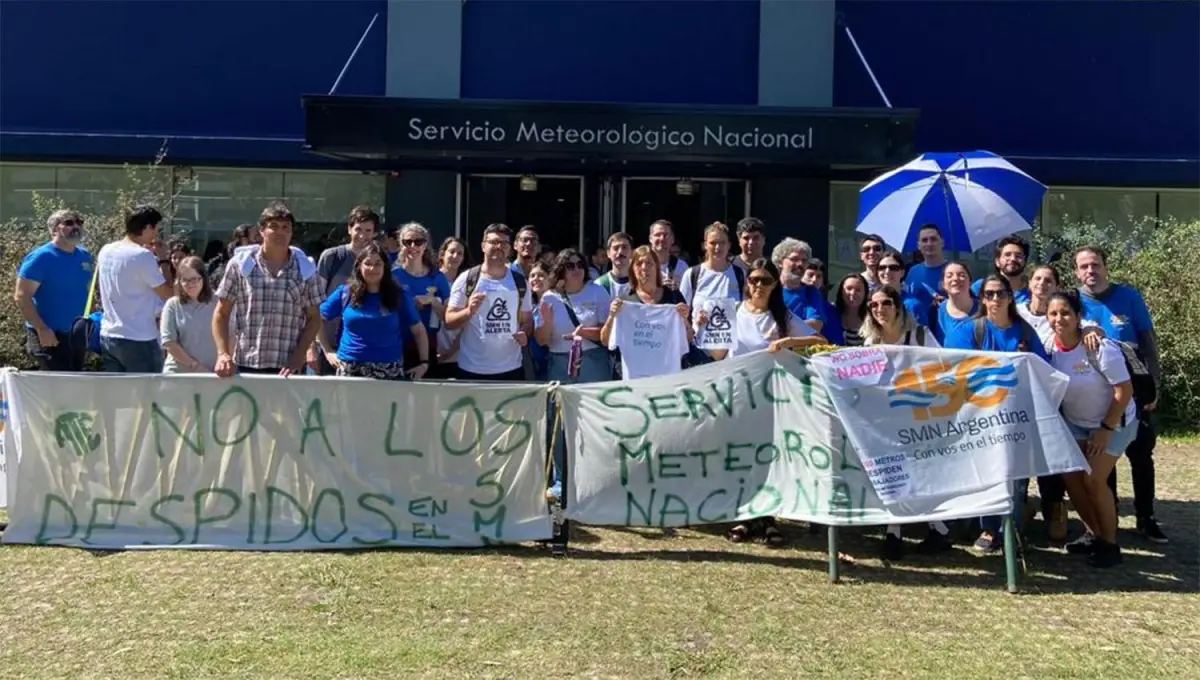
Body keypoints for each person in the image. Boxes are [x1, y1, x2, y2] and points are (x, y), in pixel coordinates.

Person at [944, 275, 1048, 554]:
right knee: (986, 475)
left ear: (1010, 297)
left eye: (1001, 293)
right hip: (980, 417)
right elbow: (954, 370)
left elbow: (1043, 370)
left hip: (1017, 417)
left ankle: (1011, 531)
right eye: (989, 294)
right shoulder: (970, 330)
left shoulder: (1025, 333)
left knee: (1016, 479)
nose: (995, 299)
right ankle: (989, 528)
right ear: (982, 299)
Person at [1074, 245, 1167, 543]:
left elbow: (1148, 344)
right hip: (1097, 394)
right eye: (1084, 266)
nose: (1091, 270)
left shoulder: (1129, 297)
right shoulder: (1074, 301)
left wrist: (1154, 385)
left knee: (1141, 455)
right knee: (1102, 458)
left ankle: (1146, 517)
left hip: (1135, 388)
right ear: (1077, 271)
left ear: (1105, 267)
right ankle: (1107, 517)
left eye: (1095, 264)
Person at [1047, 291, 1137, 567]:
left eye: (1065, 313)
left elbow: (1124, 391)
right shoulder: (1049, 347)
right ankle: (1094, 535)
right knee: (1072, 479)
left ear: (1077, 317)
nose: (1059, 319)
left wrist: (1106, 428)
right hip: (1077, 423)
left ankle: (1110, 545)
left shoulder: (1098, 347)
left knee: (1094, 481)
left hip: (1115, 421)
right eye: (1053, 314)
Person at [861, 284, 948, 559]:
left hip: (920, 414)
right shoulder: (871, 342)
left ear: (897, 306)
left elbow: (942, 369)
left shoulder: (920, 335)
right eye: (873, 305)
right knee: (892, 473)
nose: (879, 309)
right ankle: (894, 532)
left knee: (922, 474)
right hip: (885, 417)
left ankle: (938, 529)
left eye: (885, 303)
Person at [213, 202, 324, 377]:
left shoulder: (306, 269)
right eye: (273, 227)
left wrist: (299, 355)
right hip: (246, 365)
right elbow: (221, 313)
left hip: (288, 369)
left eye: (285, 227)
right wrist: (222, 354)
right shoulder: (241, 265)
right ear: (262, 231)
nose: (280, 232)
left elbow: (314, 318)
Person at [537, 249, 612, 503]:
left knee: (593, 422)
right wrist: (546, 322)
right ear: (560, 270)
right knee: (559, 423)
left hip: (593, 363)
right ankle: (561, 481)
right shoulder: (549, 297)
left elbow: (608, 334)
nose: (576, 269)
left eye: (580, 264)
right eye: (569, 266)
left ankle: (596, 480)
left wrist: (585, 332)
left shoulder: (598, 292)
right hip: (560, 362)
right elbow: (542, 340)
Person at [319, 243, 427, 380]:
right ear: (359, 266)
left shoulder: (398, 296)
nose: (372, 268)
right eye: (368, 263)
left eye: (378, 264)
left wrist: (424, 363)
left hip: (389, 370)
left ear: (385, 267)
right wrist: (328, 351)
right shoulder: (345, 293)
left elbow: (418, 330)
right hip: (350, 368)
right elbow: (317, 318)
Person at [444, 223, 533, 382]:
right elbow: (449, 321)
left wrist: (525, 333)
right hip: (472, 369)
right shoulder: (468, 279)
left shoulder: (520, 282)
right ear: (483, 246)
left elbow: (527, 321)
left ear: (510, 248)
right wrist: (468, 311)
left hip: (511, 368)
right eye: (493, 242)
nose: (498, 247)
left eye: (504, 243)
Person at [14, 208, 95, 371]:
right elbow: (22, 296)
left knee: (74, 387)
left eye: (79, 222)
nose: (76, 227)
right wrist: (41, 329)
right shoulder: (41, 257)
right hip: (49, 337)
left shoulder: (85, 256)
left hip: (76, 336)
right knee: (56, 391)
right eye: (69, 223)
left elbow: (88, 292)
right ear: (55, 229)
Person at [96, 205, 175, 373]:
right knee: (147, 395)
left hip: (109, 334)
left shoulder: (106, 250)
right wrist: (163, 260)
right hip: (139, 338)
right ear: (147, 228)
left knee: (118, 394)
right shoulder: (142, 256)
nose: (157, 234)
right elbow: (168, 294)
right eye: (156, 229)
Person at [600, 246, 692, 379]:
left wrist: (684, 319)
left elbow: (688, 339)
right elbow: (605, 341)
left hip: (667, 377)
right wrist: (612, 316)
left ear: (657, 267)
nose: (644, 268)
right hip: (635, 379)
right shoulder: (625, 302)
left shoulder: (672, 296)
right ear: (632, 269)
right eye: (639, 264)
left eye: (649, 263)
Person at [313, 206, 381, 375]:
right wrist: (314, 346)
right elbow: (315, 301)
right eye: (358, 229)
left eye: (368, 230)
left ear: (374, 233)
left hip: (362, 349)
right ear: (350, 229)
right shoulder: (332, 257)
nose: (362, 235)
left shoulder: (380, 260)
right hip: (329, 346)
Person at [680, 222, 745, 365]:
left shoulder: (740, 275)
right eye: (713, 243)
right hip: (698, 352)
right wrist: (695, 323)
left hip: (732, 353)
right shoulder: (692, 274)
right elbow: (681, 314)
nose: (717, 247)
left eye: (722, 243)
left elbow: (748, 312)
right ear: (704, 245)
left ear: (729, 245)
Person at [392, 222, 451, 375]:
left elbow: (448, 317)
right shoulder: (393, 276)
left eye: (418, 242)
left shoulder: (437, 277)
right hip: (397, 344)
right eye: (408, 242)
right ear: (400, 244)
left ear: (425, 245)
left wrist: (433, 301)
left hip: (429, 346)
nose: (413, 246)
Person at [160, 256, 218, 374]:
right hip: (179, 374)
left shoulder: (218, 303)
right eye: (184, 280)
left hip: (213, 374)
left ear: (203, 279)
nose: (189, 284)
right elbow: (169, 342)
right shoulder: (172, 305)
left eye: (194, 279)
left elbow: (232, 335)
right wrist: (195, 366)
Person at [771, 238, 826, 333]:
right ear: (780, 262)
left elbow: (815, 325)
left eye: (804, 260)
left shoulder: (811, 292)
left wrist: (780, 327)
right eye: (794, 259)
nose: (800, 264)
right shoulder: (769, 289)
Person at [433, 237, 467, 379]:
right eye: (452, 252)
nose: (455, 257)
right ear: (442, 254)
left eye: (460, 253)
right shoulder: (431, 279)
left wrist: (451, 352)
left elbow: (466, 322)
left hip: (457, 354)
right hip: (432, 350)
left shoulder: (466, 283)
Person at [971, 235, 1032, 303]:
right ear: (997, 261)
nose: (1013, 259)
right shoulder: (980, 287)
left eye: (1018, 256)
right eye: (1007, 255)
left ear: (1025, 261)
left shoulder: (1033, 291)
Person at [928, 261, 977, 345]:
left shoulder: (984, 309)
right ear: (943, 284)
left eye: (961, 275)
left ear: (970, 282)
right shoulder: (936, 312)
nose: (955, 279)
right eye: (949, 276)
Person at [876, 251, 928, 326]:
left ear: (902, 273)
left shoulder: (913, 305)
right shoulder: (872, 303)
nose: (887, 272)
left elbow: (923, 336)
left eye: (893, 268)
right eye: (882, 268)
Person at [801, 258, 843, 345]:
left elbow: (836, 341)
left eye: (819, 276)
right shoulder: (791, 300)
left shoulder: (831, 310)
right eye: (810, 275)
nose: (814, 280)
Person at [904, 224, 948, 306]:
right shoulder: (913, 271)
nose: (929, 244)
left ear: (942, 243)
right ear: (918, 246)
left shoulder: (955, 270)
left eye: (933, 239)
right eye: (924, 240)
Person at [528, 261, 555, 381]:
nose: (536, 279)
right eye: (532, 275)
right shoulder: (527, 305)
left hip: (552, 362)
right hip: (533, 364)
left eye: (541, 275)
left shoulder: (557, 302)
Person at [649, 219, 688, 289]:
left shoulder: (681, 267)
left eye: (665, 235)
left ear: (672, 239)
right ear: (650, 238)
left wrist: (677, 288)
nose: (662, 239)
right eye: (657, 235)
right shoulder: (640, 265)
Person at [594, 232, 633, 299]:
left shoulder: (639, 284)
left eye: (624, 247)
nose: (620, 252)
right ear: (608, 253)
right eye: (616, 248)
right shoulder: (599, 285)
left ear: (632, 252)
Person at [833, 274, 869, 347]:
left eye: (858, 290)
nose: (853, 293)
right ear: (841, 291)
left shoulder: (872, 317)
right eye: (849, 288)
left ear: (865, 294)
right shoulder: (830, 313)